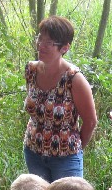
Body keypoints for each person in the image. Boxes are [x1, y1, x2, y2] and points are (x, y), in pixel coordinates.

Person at [24, 15, 98, 181]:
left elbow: (91, 121)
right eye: (40, 38)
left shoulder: (74, 79)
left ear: (64, 48)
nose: (41, 45)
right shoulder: (31, 70)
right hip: (33, 151)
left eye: (49, 42)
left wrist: (74, 149)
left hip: (65, 159)